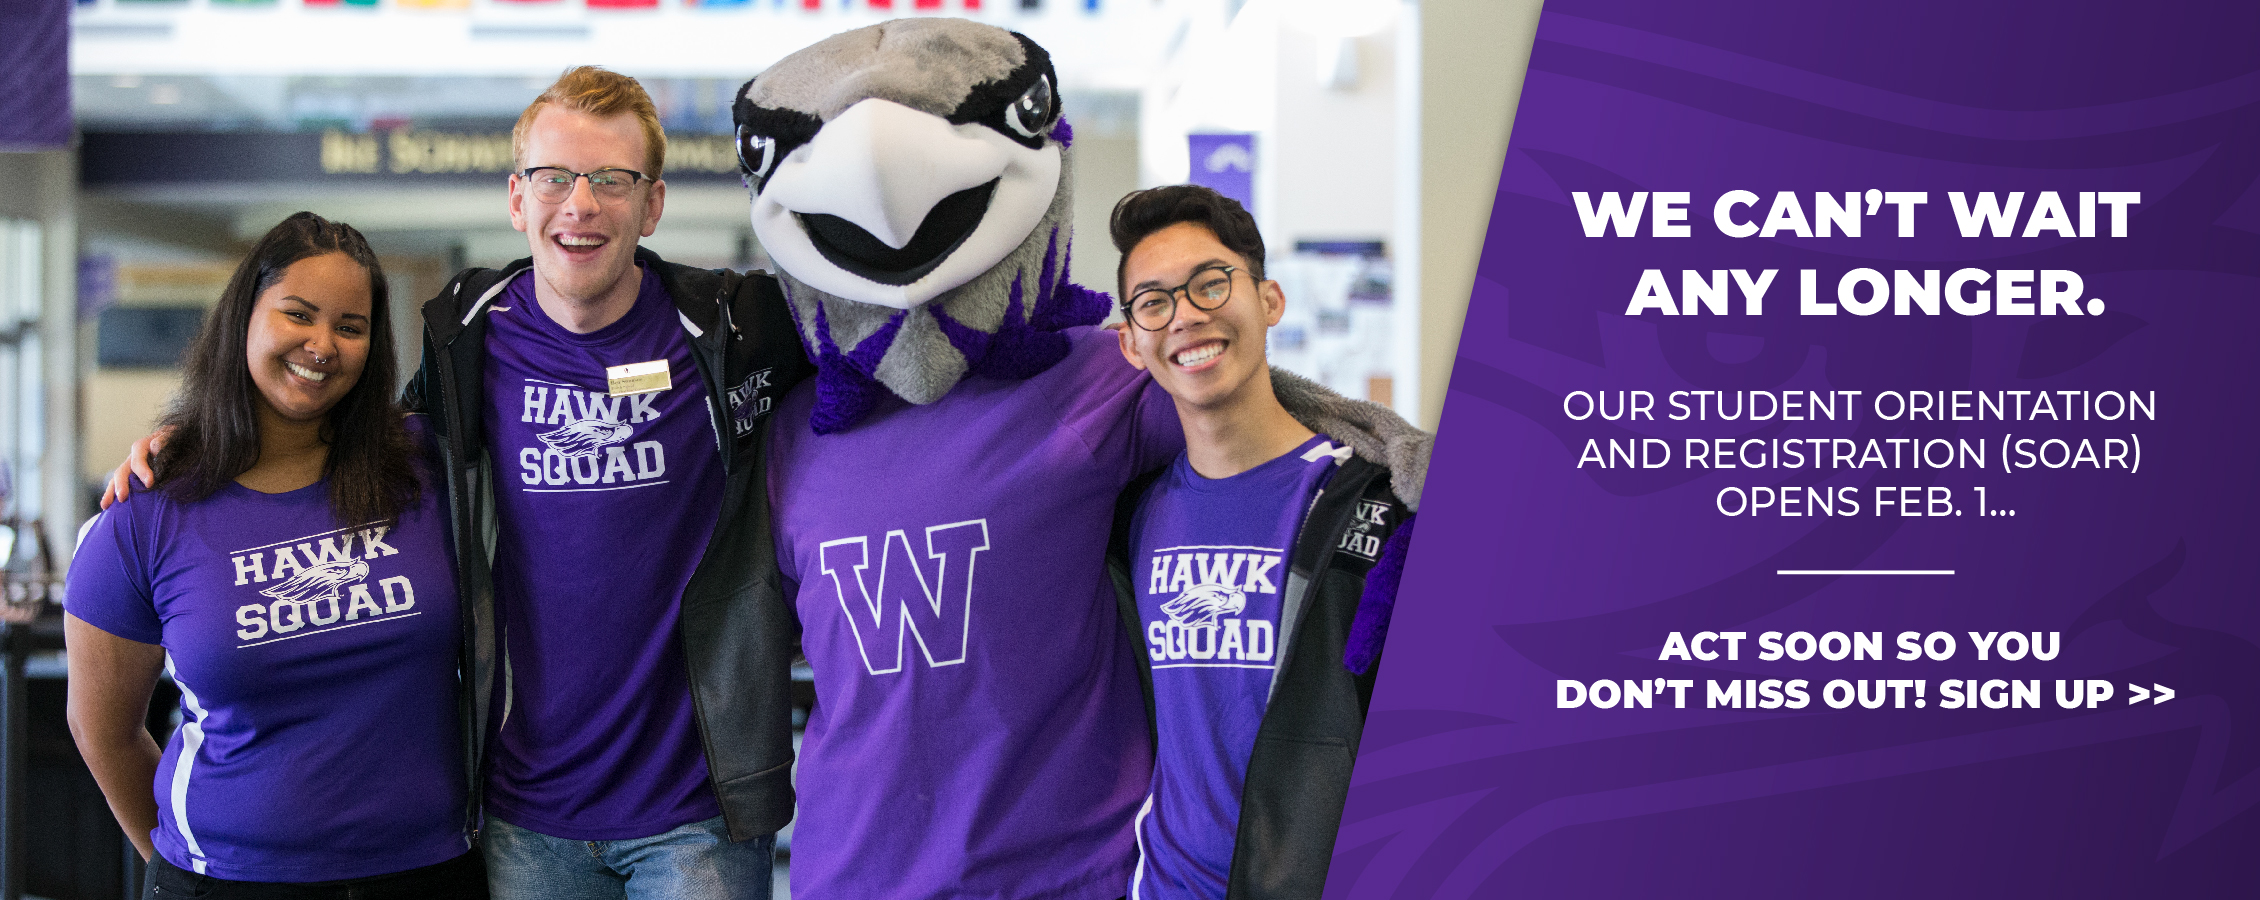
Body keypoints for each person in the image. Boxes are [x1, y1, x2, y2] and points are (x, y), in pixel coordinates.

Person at [110, 68, 813, 900]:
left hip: (698, 808)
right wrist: (200, 437)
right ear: (519, 198)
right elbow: (351, 438)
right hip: (522, 813)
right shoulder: (469, 338)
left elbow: (874, 375)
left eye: (611, 181)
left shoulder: (739, 329)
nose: (580, 204)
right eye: (555, 177)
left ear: (651, 205)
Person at [66, 212, 485, 899]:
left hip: (429, 871)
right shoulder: (144, 519)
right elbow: (103, 731)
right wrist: (181, 865)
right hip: (228, 881)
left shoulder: (425, 469)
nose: (322, 345)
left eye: (350, 327)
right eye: (298, 314)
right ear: (244, 318)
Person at [1107, 185, 1421, 900]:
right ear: (1130, 341)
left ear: (1269, 300)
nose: (1186, 315)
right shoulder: (1128, 518)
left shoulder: (1374, 507)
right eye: (1154, 301)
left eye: (1211, 283)